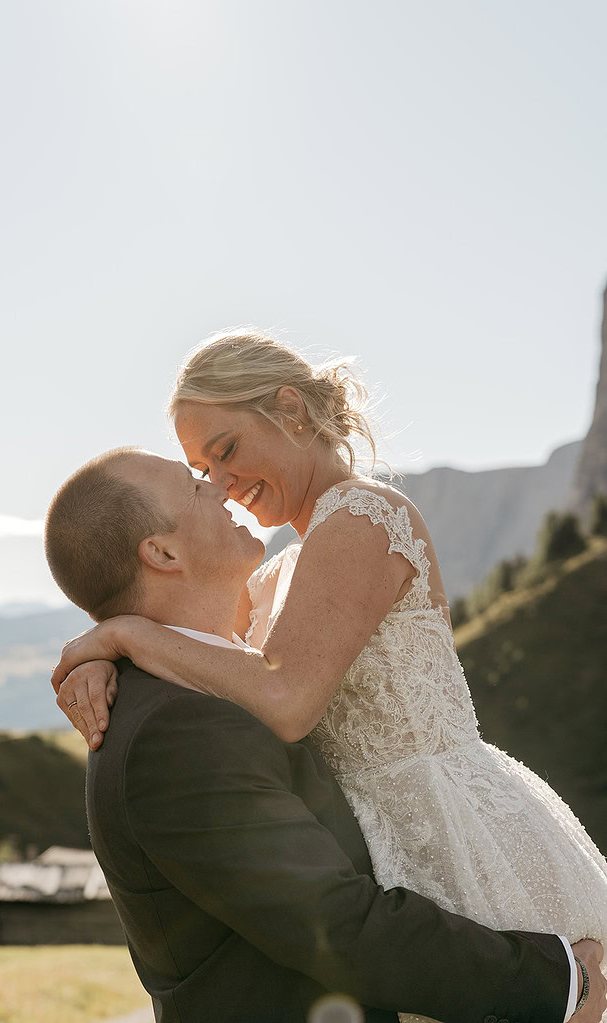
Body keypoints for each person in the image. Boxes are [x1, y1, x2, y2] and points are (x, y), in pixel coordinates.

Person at [51, 333, 607, 1021]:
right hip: (383, 864)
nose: (221, 486)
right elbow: (208, 645)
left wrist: (124, 634)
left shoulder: (359, 518)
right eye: (200, 470)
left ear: (290, 409)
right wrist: (108, 652)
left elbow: (281, 699)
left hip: (453, 841)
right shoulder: (278, 571)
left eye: (223, 451)